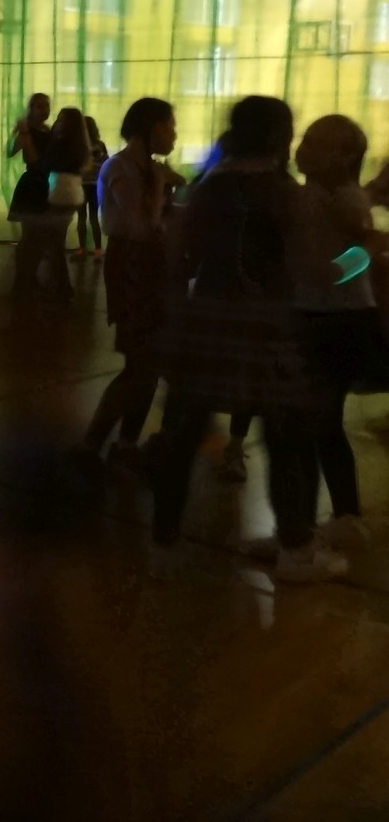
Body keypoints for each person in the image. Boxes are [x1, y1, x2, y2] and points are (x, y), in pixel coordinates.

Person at [150, 96, 343, 583]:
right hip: (267, 331)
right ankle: (295, 546)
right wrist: (360, 256)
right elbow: (315, 271)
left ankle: (164, 537)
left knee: (182, 435)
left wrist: (177, 319)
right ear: (280, 138)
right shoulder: (285, 194)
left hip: (205, 327)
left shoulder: (208, 188)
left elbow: (177, 258)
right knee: (287, 438)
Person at [71, 98, 180, 474]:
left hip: (151, 267)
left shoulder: (147, 168)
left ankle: (125, 443)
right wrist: (163, 188)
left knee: (148, 365)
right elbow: (139, 227)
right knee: (140, 364)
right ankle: (92, 445)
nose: (174, 134)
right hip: (133, 268)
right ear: (151, 127)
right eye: (170, 125)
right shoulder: (121, 167)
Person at [290, 115, 383, 549]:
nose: (302, 149)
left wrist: (357, 255)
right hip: (330, 316)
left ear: (343, 157)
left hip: (332, 320)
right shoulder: (324, 194)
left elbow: (343, 267)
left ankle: (325, 521)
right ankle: (338, 516)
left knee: (317, 423)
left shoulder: (335, 197)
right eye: (305, 139)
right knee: (321, 424)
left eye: (316, 143)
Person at [31, 107, 89, 299]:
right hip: (72, 194)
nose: (57, 123)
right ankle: (60, 285)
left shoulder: (61, 143)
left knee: (53, 243)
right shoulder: (79, 145)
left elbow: (45, 164)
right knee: (56, 241)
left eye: (61, 120)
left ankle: (60, 285)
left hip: (60, 194)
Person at [7, 93, 53, 296]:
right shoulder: (28, 131)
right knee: (29, 237)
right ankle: (22, 279)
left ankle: (29, 277)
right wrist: (19, 133)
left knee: (39, 238)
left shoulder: (48, 130)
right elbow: (11, 152)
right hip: (33, 185)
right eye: (40, 106)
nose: (45, 110)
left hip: (45, 184)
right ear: (31, 109)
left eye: (47, 106)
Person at [75, 115, 109, 259]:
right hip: (85, 184)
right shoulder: (79, 145)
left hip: (92, 184)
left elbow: (106, 162)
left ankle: (94, 249)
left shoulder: (98, 145)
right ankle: (90, 248)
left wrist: (97, 158)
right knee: (85, 217)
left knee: (89, 217)